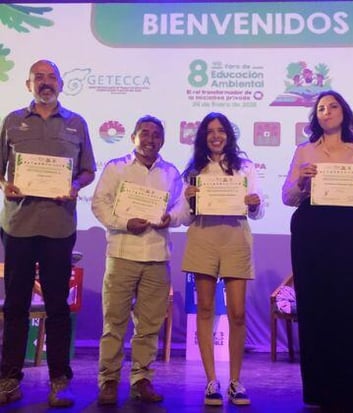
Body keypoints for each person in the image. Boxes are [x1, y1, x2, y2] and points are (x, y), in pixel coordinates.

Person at [0, 59, 96, 408]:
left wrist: (74, 185)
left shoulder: (76, 124)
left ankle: (60, 381)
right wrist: (6, 184)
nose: (45, 82)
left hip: (58, 227)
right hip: (19, 226)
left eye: (51, 77)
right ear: (28, 85)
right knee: (15, 306)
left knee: (57, 306)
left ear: (60, 83)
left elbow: (88, 171)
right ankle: (9, 378)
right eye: (38, 77)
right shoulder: (12, 121)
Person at [282, 90, 353, 412]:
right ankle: (317, 391)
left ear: (344, 112)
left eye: (333, 106)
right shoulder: (304, 151)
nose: (327, 111)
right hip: (311, 229)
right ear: (316, 116)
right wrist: (301, 180)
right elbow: (287, 196)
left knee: (349, 310)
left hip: (348, 231)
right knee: (313, 310)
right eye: (321, 108)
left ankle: (349, 392)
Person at [91, 115, 188, 405]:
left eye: (156, 134)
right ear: (133, 137)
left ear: (162, 140)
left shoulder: (171, 173)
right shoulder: (116, 168)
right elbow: (99, 204)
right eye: (144, 133)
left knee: (149, 326)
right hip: (121, 254)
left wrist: (171, 217)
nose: (150, 139)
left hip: (157, 257)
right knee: (114, 323)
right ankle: (108, 380)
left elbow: (184, 209)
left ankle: (142, 379)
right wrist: (123, 222)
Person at [181, 112, 264, 406]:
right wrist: (190, 198)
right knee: (205, 309)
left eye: (221, 131)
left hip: (235, 239)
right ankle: (211, 381)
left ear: (229, 135)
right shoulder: (194, 170)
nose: (216, 136)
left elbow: (258, 209)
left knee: (238, 313)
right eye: (210, 131)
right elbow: (182, 216)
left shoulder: (244, 167)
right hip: (203, 238)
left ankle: (236, 382)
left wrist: (255, 204)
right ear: (204, 137)